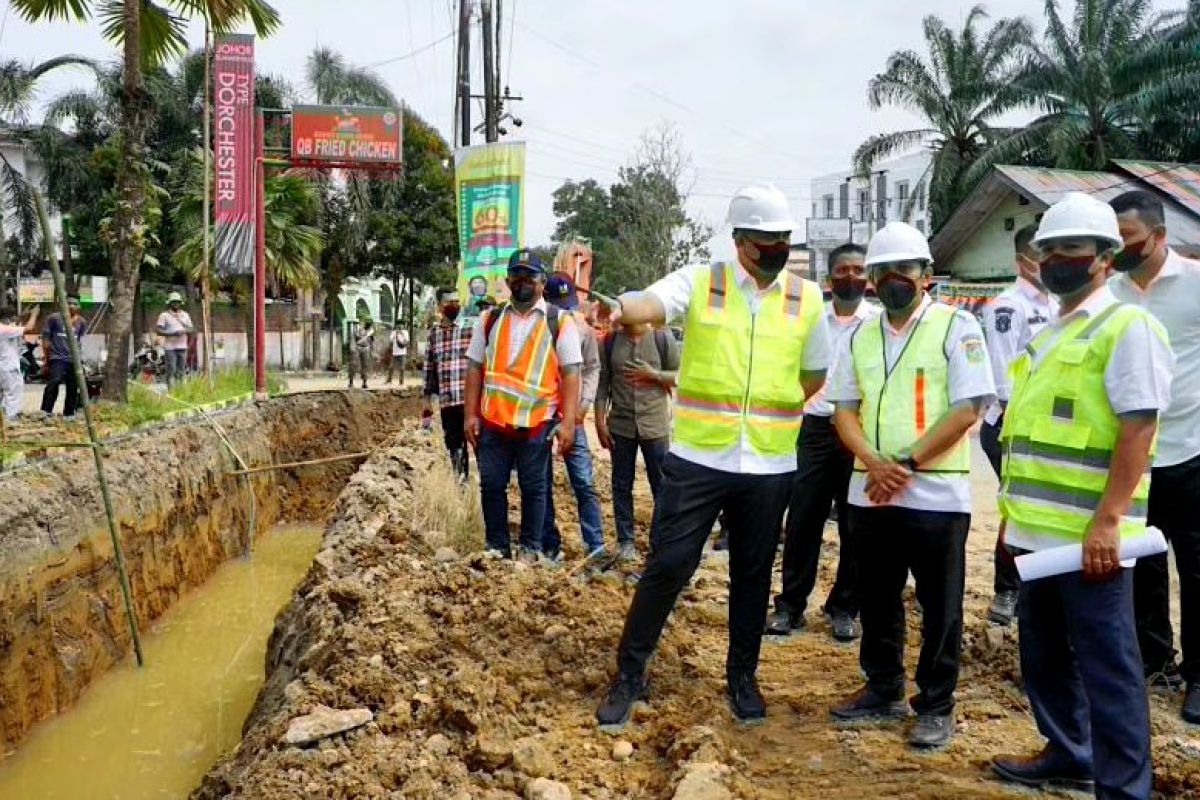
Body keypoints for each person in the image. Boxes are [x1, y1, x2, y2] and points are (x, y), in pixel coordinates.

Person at [595, 185, 829, 731]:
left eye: (782, 240)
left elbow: (814, 374)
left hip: (769, 465)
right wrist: (621, 307)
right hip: (699, 459)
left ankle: (742, 676)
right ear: (739, 241)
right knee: (669, 565)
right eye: (763, 241)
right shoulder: (703, 282)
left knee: (751, 575)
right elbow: (649, 305)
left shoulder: (805, 298)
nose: (774, 249)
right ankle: (630, 673)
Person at [991, 192, 1172, 798]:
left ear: (1104, 258)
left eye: (1071, 250)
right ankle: (1069, 752)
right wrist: (1011, 524)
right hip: (1037, 537)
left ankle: (1124, 788)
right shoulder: (1051, 332)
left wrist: (1109, 521)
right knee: (1043, 658)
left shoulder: (1127, 327)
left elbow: (1138, 429)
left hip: (1090, 540)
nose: (1057, 260)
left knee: (1109, 669)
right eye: (1050, 250)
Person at [827, 221, 995, 750]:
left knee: (940, 604)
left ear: (926, 276)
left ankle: (937, 703)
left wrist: (906, 463)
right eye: (885, 271)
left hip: (936, 494)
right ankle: (883, 687)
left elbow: (969, 407)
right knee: (877, 596)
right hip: (871, 490)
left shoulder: (956, 328)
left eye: (907, 269)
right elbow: (844, 411)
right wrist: (875, 463)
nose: (895, 278)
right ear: (873, 279)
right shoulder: (858, 334)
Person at [1107, 190, 1200, 718]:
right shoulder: (1111, 293)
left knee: (1196, 568)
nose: (1118, 251)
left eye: (1128, 241)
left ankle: (1199, 676)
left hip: (1191, 449)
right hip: (1132, 458)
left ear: (1159, 236)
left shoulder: (1194, 284)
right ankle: (1153, 658)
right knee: (1141, 564)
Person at [765, 242, 880, 642]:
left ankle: (844, 608)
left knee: (855, 526)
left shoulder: (878, 323)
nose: (852, 276)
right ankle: (791, 606)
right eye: (844, 270)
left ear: (869, 278)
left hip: (859, 433)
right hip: (813, 429)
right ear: (829, 278)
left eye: (859, 270)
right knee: (802, 522)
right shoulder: (812, 319)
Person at [464, 249, 583, 561]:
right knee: (491, 486)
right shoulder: (489, 319)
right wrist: (470, 415)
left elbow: (572, 373)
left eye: (529, 275)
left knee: (534, 490)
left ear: (542, 281)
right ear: (507, 281)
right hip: (494, 423)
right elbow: (475, 366)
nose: (522, 281)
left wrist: (568, 422)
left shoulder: (560, 322)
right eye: (516, 275)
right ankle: (497, 547)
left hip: (537, 423)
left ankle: (531, 549)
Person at [979, 225, 1057, 626]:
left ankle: (1037, 587)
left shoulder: (1059, 304)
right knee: (1017, 509)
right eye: (1039, 254)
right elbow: (1001, 371)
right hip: (1010, 424)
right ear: (1022, 261)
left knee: (1042, 510)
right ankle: (1007, 591)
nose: (1047, 262)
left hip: (1047, 427)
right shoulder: (1007, 307)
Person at [595, 318, 680, 562]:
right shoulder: (610, 342)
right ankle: (626, 541)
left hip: (655, 425)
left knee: (662, 486)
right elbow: (603, 384)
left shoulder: (663, 338)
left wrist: (653, 374)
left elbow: (679, 376)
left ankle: (660, 543)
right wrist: (600, 422)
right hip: (621, 424)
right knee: (621, 484)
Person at [540, 272, 606, 562]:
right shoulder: (537, 327)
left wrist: (584, 405)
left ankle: (596, 545)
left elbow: (592, 368)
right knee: (540, 482)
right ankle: (548, 544)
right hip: (543, 414)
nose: (565, 310)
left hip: (574, 418)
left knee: (583, 481)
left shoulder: (583, 330)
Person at [423, 288, 473, 480]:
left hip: (468, 400)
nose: (454, 305)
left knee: (475, 444)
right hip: (447, 401)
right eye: (449, 302)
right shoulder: (434, 335)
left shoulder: (470, 329)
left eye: (457, 301)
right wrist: (426, 405)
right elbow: (429, 371)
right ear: (439, 306)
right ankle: (461, 483)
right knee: (453, 445)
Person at [40, 295, 87, 419]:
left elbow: (79, 340)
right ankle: (46, 411)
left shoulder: (81, 322)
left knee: (73, 386)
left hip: (74, 359)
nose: (72, 306)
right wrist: (46, 359)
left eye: (75, 304)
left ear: (79, 306)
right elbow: (46, 339)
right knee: (54, 382)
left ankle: (69, 413)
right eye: (69, 303)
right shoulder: (53, 319)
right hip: (57, 358)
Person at [0, 306, 39, 422]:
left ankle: (3, 421)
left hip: (4, 366)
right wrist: (34, 314)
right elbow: (28, 328)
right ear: (7, 319)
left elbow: (17, 322)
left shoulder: (4, 328)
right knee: (13, 394)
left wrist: (24, 314)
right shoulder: (4, 329)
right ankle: (10, 420)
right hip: (9, 367)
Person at [156, 291, 194, 387]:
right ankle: (171, 391)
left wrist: (184, 331)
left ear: (180, 303)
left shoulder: (185, 315)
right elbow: (158, 331)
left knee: (181, 370)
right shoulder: (164, 315)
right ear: (169, 303)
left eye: (177, 302)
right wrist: (172, 333)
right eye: (173, 302)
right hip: (170, 348)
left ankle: (180, 391)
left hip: (182, 346)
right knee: (171, 369)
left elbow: (191, 329)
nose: (176, 304)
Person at [348, 319, 375, 389]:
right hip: (357, 347)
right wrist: (352, 348)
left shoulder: (371, 331)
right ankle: (351, 382)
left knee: (365, 365)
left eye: (369, 324)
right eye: (367, 324)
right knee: (353, 364)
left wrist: (372, 351)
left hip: (366, 348)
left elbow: (371, 341)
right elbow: (353, 339)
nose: (368, 325)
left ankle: (364, 383)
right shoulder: (358, 328)